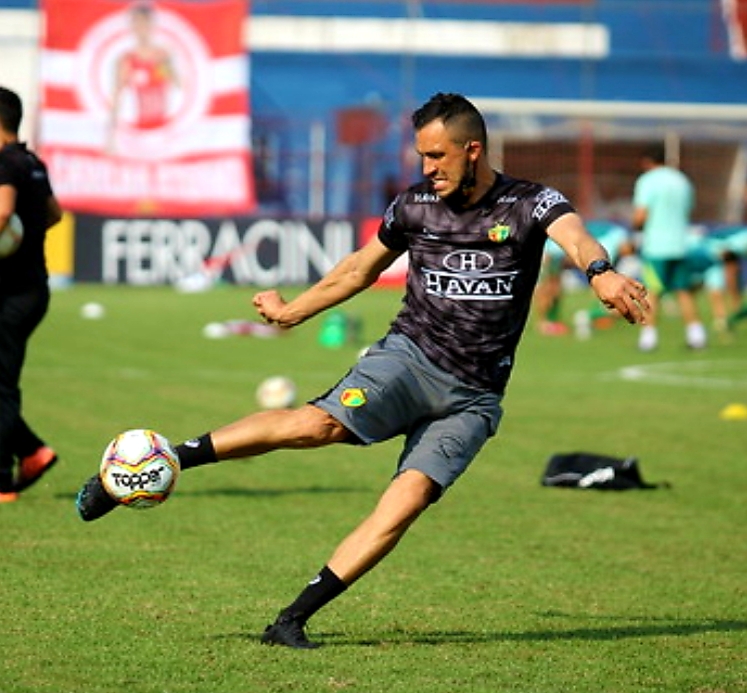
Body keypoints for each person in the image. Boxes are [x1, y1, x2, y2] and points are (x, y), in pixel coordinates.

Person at [76, 93, 650, 647]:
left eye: (437, 156)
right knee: (317, 425)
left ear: (472, 150)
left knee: (404, 504)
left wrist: (600, 272)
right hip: (409, 359)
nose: (427, 168)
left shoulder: (531, 202)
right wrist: (291, 312)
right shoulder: (414, 206)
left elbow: (575, 237)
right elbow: (358, 270)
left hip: (474, 398)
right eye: (421, 156)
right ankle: (165, 459)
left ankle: (291, 620)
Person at [0, 86, 63, 503]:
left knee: (1, 385)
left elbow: (3, 212)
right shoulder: (32, 161)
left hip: (9, 294)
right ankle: (31, 449)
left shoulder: (4, 163)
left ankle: (2, 481)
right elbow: (54, 214)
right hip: (33, 288)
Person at [632, 145, 707, 351]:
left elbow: (640, 215)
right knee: (684, 291)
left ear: (646, 162)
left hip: (656, 246)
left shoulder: (647, 181)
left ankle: (648, 338)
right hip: (681, 244)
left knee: (652, 292)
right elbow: (688, 210)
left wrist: (635, 227)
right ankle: (697, 335)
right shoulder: (682, 180)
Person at [107, 2, 179, 151]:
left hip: (165, 131)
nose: (141, 27)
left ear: (151, 24)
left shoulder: (163, 55)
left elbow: (180, 87)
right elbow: (117, 99)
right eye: (137, 22)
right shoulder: (126, 60)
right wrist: (110, 138)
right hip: (139, 133)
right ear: (132, 26)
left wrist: (168, 66)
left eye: (144, 22)